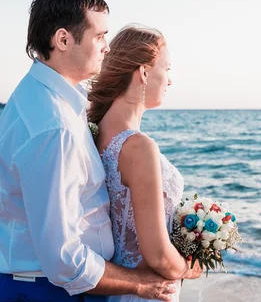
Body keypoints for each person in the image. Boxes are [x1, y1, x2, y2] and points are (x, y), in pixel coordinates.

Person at [0, 0, 178, 302]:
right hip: (50, 292)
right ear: (63, 39)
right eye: (99, 36)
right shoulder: (54, 126)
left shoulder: (47, 99)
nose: (107, 47)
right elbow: (63, 258)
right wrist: (140, 284)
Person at [86, 25, 203, 302]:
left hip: (119, 289)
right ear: (144, 72)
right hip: (147, 293)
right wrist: (190, 268)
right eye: (167, 69)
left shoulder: (95, 134)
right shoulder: (138, 147)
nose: (170, 81)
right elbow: (158, 255)